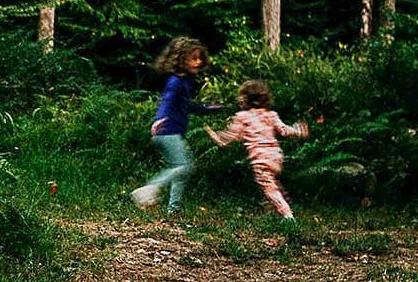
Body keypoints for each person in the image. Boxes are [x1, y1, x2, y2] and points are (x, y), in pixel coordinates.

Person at [131, 37, 222, 216]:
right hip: (166, 129)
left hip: (172, 131)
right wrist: (160, 119)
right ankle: (149, 189)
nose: (198, 62)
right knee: (184, 167)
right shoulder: (175, 81)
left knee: (180, 170)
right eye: (193, 58)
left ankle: (173, 210)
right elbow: (168, 100)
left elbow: (188, 106)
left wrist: (209, 108)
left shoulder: (186, 82)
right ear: (181, 59)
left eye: (200, 58)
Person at [205, 79, 309, 220]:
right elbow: (284, 130)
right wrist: (298, 131)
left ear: (247, 99)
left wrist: (216, 136)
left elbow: (229, 137)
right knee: (271, 183)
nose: (238, 99)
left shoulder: (243, 117)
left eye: (241, 96)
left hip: (261, 159)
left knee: (269, 187)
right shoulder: (271, 114)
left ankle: (288, 215)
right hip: (276, 157)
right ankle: (272, 209)